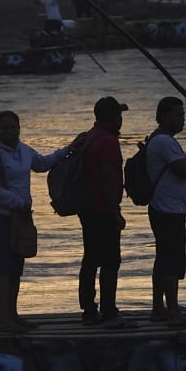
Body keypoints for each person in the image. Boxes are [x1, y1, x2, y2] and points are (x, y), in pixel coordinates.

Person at [0, 110, 66, 333]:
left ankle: (13, 314)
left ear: (19, 128)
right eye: (4, 128)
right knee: (5, 266)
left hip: (22, 217)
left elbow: (43, 163)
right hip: (2, 216)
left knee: (18, 266)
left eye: (12, 127)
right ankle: (3, 318)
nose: (9, 131)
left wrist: (69, 149)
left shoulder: (24, 150)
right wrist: (17, 201)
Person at [143, 96, 186, 326]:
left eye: (183, 115)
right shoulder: (165, 142)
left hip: (164, 209)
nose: (182, 119)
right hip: (168, 211)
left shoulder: (159, 140)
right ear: (163, 117)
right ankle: (173, 311)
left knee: (163, 258)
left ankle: (159, 308)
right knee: (171, 261)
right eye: (178, 115)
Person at [77, 96, 129, 327]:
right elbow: (109, 177)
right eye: (119, 114)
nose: (121, 119)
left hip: (87, 208)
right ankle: (109, 311)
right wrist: (115, 211)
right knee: (110, 261)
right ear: (112, 116)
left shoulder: (90, 137)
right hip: (102, 208)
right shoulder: (108, 141)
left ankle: (89, 310)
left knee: (90, 259)